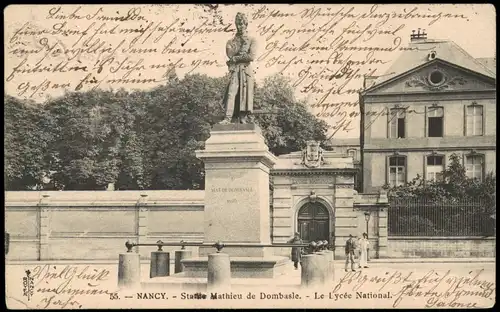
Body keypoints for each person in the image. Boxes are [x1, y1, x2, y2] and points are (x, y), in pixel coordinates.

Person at [220, 12, 257, 124]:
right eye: (238, 24)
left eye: (242, 24)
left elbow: (251, 56)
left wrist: (236, 58)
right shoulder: (231, 41)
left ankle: (242, 118)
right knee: (231, 92)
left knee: (244, 94)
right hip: (235, 70)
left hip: (246, 71)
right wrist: (238, 56)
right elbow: (230, 54)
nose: (240, 26)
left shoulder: (252, 40)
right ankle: (227, 118)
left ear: (246, 24)